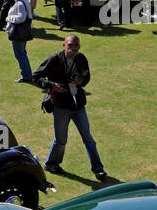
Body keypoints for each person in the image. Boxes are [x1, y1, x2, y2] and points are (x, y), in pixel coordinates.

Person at [33, 35, 106, 179]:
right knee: (61, 139)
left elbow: (87, 76)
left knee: (88, 138)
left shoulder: (81, 59)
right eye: (70, 45)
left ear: (79, 47)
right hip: (60, 106)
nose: (73, 48)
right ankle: (51, 164)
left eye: (76, 46)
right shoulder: (54, 59)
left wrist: (81, 81)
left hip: (78, 105)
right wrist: (52, 86)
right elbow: (36, 77)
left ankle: (98, 169)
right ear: (64, 45)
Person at [4, 0, 35, 82]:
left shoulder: (20, 3)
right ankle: (27, 74)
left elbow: (21, 18)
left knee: (20, 55)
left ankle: (26, 76)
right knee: (22, 54)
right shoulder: (24, 0)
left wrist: (9, 18)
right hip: (24, 31)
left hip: (19, 33)